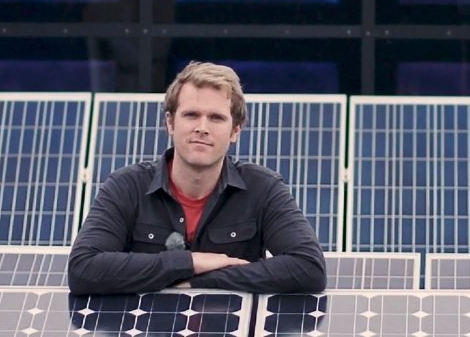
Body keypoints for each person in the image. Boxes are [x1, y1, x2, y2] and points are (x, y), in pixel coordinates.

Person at [68, 61, 326, 294]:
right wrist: (191, 262)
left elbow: (308, 267)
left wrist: (203, 280)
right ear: (170, 123)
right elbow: (83, 269)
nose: (202, 127)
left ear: (235, 130)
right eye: (191, 115)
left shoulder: (262, 188)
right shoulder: (127, 186)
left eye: (216, 118)